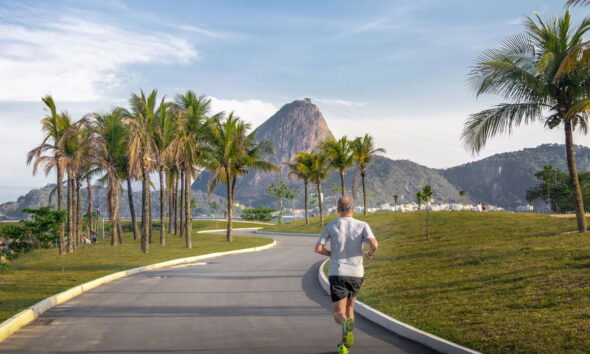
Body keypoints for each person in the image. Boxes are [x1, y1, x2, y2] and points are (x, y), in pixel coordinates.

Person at [315, 197, 379, 354]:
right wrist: (369, 253)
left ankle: (345, 326)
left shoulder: (331, 225)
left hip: (338, 272)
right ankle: (344, 346)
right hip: (356, 273)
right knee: (350, 306)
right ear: (353, 208)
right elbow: (374, 244)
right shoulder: (362, 225)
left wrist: (332, 253)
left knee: (338, 314)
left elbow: (318, 248)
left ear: (338, 210)